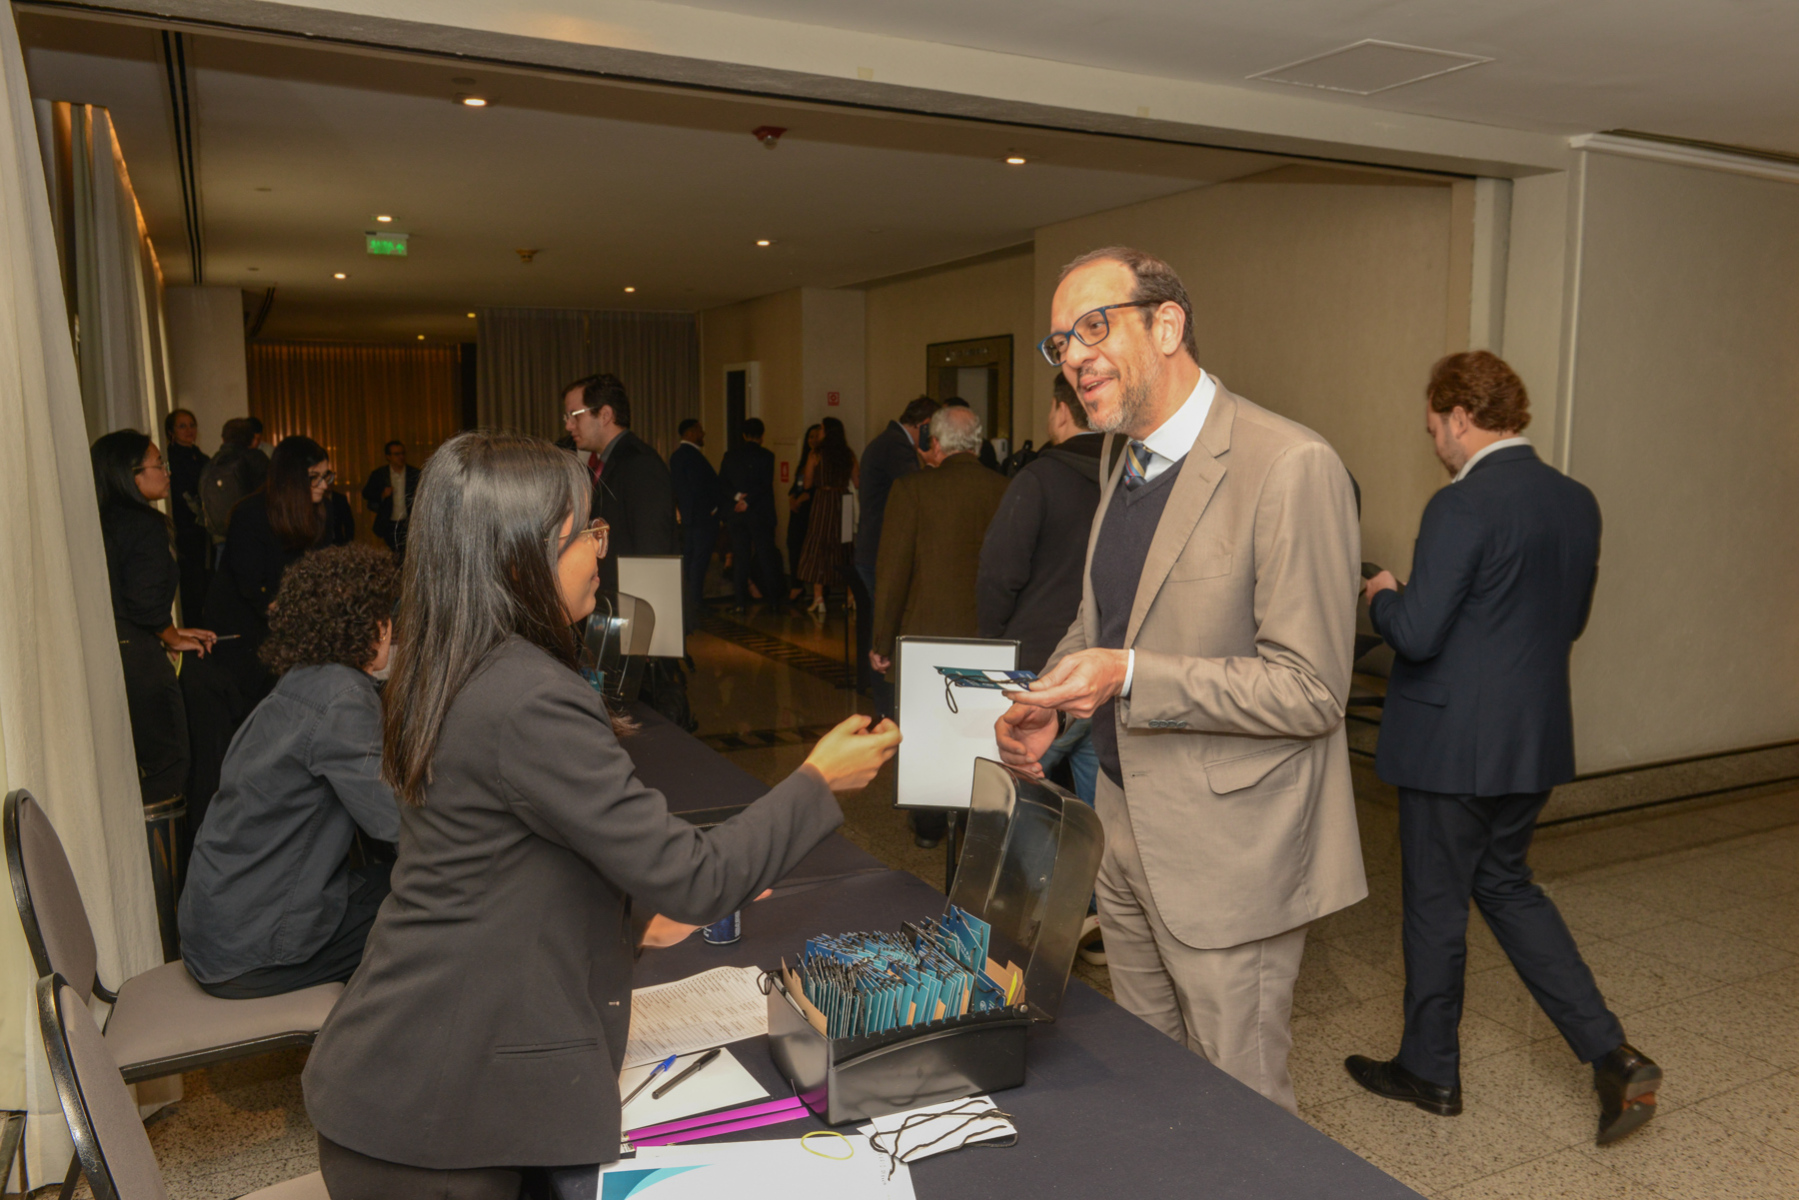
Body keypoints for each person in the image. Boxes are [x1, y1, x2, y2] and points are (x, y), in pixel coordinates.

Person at [301, 431, 900, 1196]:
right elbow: (693, 877)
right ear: (520, 558)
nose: (598, 551)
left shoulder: (448, 659)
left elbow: (497, 863)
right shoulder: (527, 693)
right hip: (436, 1108)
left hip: (403, 1070)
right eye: (585, 532)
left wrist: (631, 922)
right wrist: (820, 779)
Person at [995, 246, 1364, 1115]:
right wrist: (1053, 701)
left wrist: (1126, 675)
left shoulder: (1289, 463)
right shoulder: (1118, 459)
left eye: (1093, 327)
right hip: (1123, 823)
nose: (1073, 356)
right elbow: (1103, 621)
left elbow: (1310, 690)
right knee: (1155, 1085)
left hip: (1228, 851)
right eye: (1060, 342)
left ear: (1167, 325)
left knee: (1240, 1105)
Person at [1348, 351, 1660, 1144]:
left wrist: (1382, 596)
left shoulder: (1460, 504)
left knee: (1434, 905)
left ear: (1459, 417)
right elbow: (1564, 621)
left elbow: (1417, 635)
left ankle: (1428, 1070)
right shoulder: (1575, 501)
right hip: (1532, 741)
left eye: (1432, 428)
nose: (1433, 443)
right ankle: (1612, 1054)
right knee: (1507, 887)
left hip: (1451, 748)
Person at [179, 543, 402, 999]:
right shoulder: (343, 699)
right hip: (252, 952)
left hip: (221, 928)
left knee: (391, 881)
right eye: (384, 615)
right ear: (369, 626)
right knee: (440, 906)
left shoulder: (302, 680)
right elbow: (402, 823)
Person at [191, 436, 355, 813]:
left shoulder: (322, 510)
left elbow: (320, 573)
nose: (324, 485)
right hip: (245, 634)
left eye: (327, 476)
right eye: (315, 478)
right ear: (291, 479)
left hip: (287, 626)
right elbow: (253, 588)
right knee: (258, 725)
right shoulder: (250, 514)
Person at [871, 406, 1010, 848]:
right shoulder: (1006, 489)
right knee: (979, 731)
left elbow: (893, 572)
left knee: (927, 732)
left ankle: (929, 825)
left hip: (925, 635)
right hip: (988, 637)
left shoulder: (912, 489)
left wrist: (882, 641)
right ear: (976, 443)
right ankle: (977, 820)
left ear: (935, 442)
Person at [977, 373, 1106, 809]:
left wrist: (993, 646)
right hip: (1104, 673)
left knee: (1019, 804)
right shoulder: (1129, 478)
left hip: (1037, 674)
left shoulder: (1037, 479)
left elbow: (999, 573)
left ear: (1061, 410)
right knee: (1096, 816)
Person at [91, 430, 217, 806]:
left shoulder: (100, 522)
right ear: (130, 475)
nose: (166, 471)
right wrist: (171, 637)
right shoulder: (143, 524)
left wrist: (171, 630)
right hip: (139, 660)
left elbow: (123, 597)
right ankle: (160, 847)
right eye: (159, 464)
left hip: (109, 652)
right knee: (169, 766)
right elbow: (144, 602)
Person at [561, 374, 689, 726]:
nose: (569, 425)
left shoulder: (639, 464)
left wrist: (646, 634)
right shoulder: (604, 461)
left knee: (640, 716)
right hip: (612, 611)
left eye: (574, 415)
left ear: (604, 414)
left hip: (634, 618)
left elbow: (653, 551)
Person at [854, 397, 938, 695]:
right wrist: (933, 464)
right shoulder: (897, 447)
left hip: (870, 547)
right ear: (924, 425)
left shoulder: (887, 441)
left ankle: (882, 692)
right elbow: (919, 490)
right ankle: (886, 696)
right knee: (886, 624)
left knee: (881, 620)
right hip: (879, 550)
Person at [718, 418, 783, 615]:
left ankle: (740, 602)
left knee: (741, 557)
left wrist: (738, 498)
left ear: (744, 435)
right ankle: (774, 601)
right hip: (760, 513)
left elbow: (723, 484)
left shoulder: (730, 456)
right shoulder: (767, 456)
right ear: (762, 436)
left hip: (737, 514)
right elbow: (765, 485)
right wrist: (749, 501)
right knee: (766, 556)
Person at [795, 416, 857, 617]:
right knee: (845, 546)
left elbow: (807, 483)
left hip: (823, 500)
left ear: (828, 432)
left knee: (819, 544)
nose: (819, 432)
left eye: (821, 428)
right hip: (843, 501)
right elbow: (857, 481)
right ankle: (851, 594)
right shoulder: (848, 454)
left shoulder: (816, 454)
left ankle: (818, 597)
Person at [668, 418, 720, 627]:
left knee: (690, 559)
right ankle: (696, 601)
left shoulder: (677, 457)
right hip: (702, 518)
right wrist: (713, 509)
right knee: (699, 560)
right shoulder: (693, 457)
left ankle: (689, 601)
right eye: (699, 430)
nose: (703, 433)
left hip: (689, 517)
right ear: (690, 433)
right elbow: (699, 488)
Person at [163, 408, 211, 622]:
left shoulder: (202, 458)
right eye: (182, 426)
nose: (189, 430)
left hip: (205, 532)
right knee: (191, 588)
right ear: (171, 431)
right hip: (184, 530)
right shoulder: (171, 459)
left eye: (192, 425)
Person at [199, 417, 269, 561]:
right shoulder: (257, 459)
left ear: (223, 438)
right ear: (251, 438)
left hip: (221, 537)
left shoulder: (212, 463)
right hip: (253, 537)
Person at [361, 439, 421, 559]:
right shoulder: (380, 474)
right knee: (392, 555)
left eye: (402, 453)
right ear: (388, 457)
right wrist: (382, 494)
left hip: (408, 522)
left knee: (407, 554)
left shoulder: (414, 473)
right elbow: (366, 493)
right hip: (388, 522)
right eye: (396, 454)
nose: (401, 457)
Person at [786, 423, 822, 602]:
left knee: (813, 547)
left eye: (816, 436)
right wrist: (792, 497)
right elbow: (797, 484)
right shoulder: (804, 459)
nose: (813, 440)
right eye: (810, 436)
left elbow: (816, 487)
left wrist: (803, 498)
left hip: (812, 509)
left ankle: (818, 587)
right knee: (793, 543)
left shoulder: (820, 459)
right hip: (798, 510)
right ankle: (796, 583)